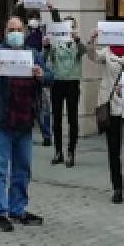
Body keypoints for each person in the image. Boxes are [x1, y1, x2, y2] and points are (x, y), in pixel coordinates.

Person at [0, 16, 53, 231]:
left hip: (24, 119)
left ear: (24, 32)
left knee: (22, 168)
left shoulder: (34, 54)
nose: (15, 33)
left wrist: (41, 75)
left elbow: (50, 77)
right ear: (5, 32)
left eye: (19, 29)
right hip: (0, 119)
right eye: (11, 29)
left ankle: (18, 209)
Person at [88, 27, 124, 204]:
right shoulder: (106, 52)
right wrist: (92, 40)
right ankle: (118, 188)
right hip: (111, 105)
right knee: (114, 151)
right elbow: (92, 56)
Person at [45, 16, 84, 167]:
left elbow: (84, 51)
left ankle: (71, 152)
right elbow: (46, 58)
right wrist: (47, 46)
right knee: (57, 118)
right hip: (57, 82)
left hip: (73, 82)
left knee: (72, 118)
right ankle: (58, 151)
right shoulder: (55, 42)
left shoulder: (77, 43)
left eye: (72, 26)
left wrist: (78, 39)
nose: (69, 29)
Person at [22, 11, 54, 146]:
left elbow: (47, 52)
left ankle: (47, 135)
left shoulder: (44, 32)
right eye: (31, 18)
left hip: (39, 69)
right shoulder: (23, 32)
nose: (33, 20)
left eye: (36, 18)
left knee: (44, 107)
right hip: (24, 70)